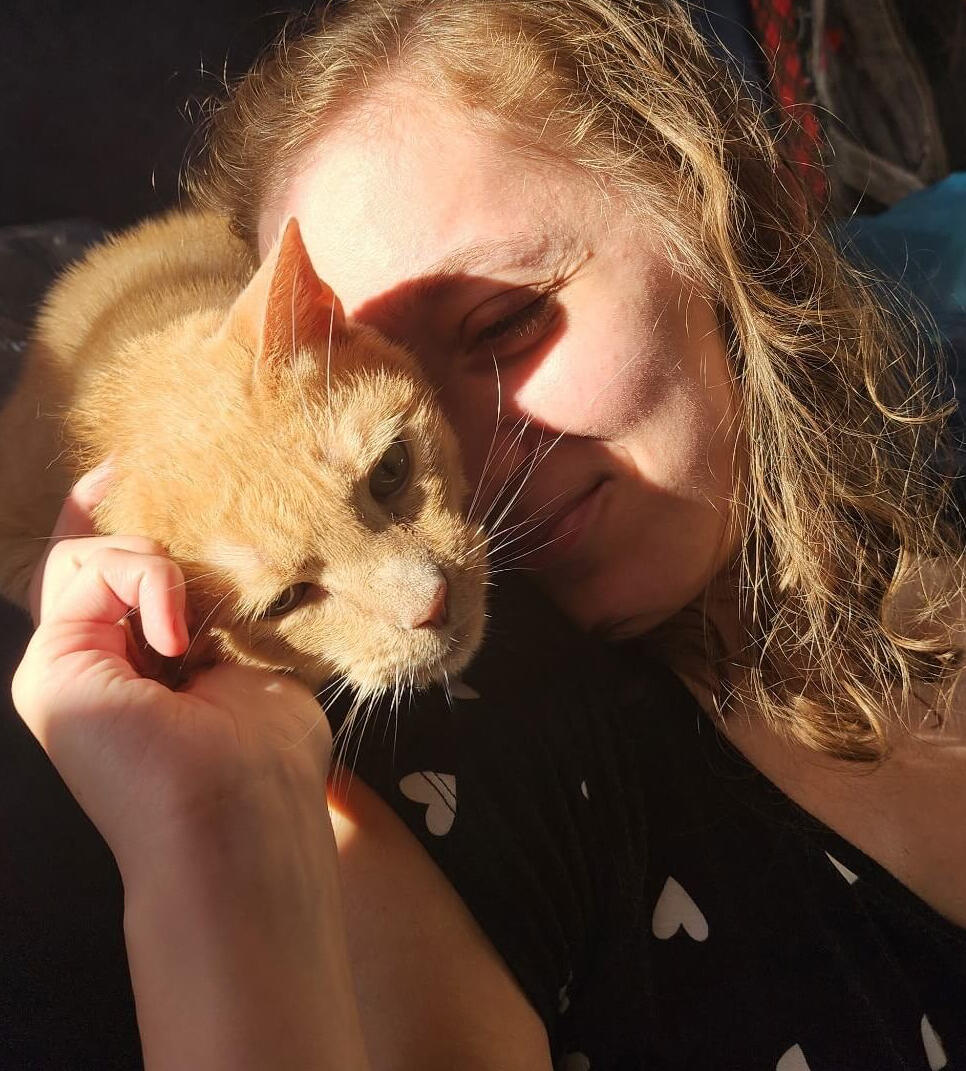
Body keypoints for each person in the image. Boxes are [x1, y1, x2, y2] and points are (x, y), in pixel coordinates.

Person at [12, 0, 966, 1067]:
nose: (428, 585)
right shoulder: (463, 765)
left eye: (508, 323)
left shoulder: (931, 459)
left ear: (696, 196)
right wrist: (215, 837)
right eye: (289, 594)